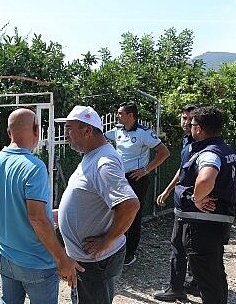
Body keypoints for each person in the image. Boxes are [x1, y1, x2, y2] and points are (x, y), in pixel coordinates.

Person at [0, 108, 83, 304]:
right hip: (36, 262)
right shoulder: (33, 166)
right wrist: (62, 259)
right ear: (36, 130)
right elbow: (37, 218)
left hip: (5, 255)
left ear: (9, 132)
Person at [57, 105, 140, 304]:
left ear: (87, 131)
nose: (66, 134)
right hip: (87, 260)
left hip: (96, 262)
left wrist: (106, 241)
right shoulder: (92, 156)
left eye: (69, 128)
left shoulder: (104, 162)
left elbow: (130, 205)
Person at [172, 106, 236, 304]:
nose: (189, 127)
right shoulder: (227, 150)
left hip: (202, 224)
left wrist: (196, 199)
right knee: (216, 273)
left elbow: (206, 179)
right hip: (218, 222)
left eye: (192, 124)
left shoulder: (210, 153)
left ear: (199, 129)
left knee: (206, 279)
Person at [105, 101, 170, 265]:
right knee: (116, 212)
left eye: (120, 113)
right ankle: (116, 247)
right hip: (119, 177)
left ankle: (130, 252)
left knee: (133, 215)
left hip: (136, 178)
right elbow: (101, 138)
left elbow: (164, 152)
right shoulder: (117, 130)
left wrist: (146, 170)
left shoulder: (144, 133)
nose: (117, 116)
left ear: (131, 115)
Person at [153, 104, 199, 301]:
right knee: (187, 245)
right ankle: (193, 282)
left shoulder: (201, 144)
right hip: (186, 203)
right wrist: (167, 190)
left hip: (192, 205)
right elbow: (183, 170)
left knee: (180, 246)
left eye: (191, 119)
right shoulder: (187, 142)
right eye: (184, 118)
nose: (186, 122)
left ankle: (177, 288)